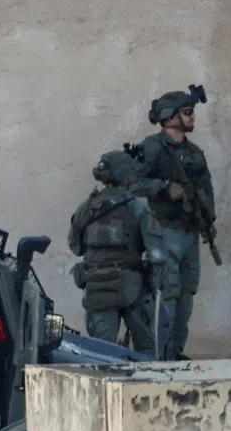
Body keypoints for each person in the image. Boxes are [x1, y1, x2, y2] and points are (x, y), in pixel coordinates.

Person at [129, 89, 216, 360]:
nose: (192, 117)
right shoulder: (153, 147)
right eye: (187, 112)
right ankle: (162, 354)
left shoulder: (194, 152)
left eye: (192, 112)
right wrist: (163, 187)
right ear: (169, 117)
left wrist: (209, 220)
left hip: (191, 230)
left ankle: (176, 352)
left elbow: (206, 188)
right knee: (167, 293)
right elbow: (132, 182)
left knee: (186, 295)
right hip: (165, 230)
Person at [69, 150, 167, 358]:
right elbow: (157, 255)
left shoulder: (85, 208)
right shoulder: (138, 208)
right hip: (133, 288)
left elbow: (75, 247)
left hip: (97, 290)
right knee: (146, 351)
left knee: (100, 354)